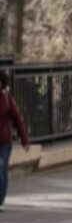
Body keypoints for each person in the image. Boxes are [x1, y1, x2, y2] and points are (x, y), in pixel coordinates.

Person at [0, 71, 31, 213]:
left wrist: (24, 139)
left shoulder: (7, 98)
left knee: (1, 169)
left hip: (4, 141)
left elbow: (18, 119)